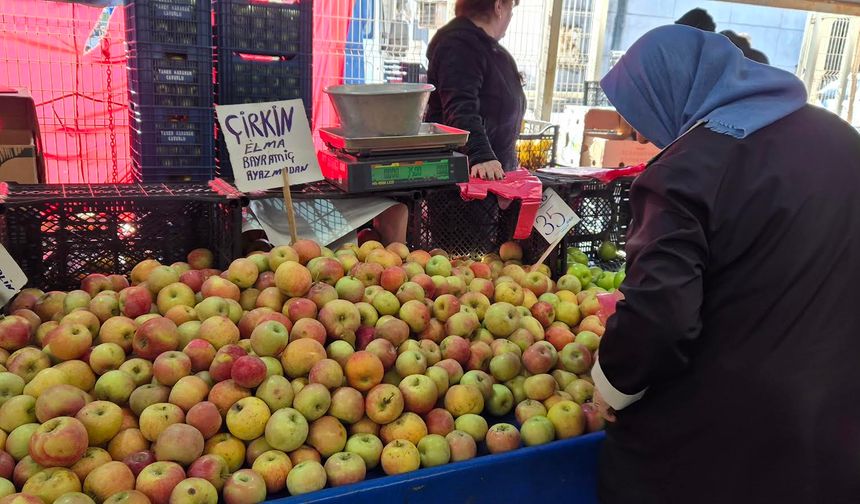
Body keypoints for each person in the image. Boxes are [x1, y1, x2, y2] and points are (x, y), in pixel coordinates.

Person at [592, 25, 860, 503]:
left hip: (731, 443)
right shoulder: (841, 138)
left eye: (636, 113)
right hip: (838, 427)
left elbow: (661, 315)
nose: (638, 132)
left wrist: (613, 383)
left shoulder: (687, 169)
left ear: (669, 91)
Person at [425, 0, 526, 180]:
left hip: (491, 176)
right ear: (498, 7)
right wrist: (481, 154)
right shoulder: (460, 45)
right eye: (511, 9)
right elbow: (459, 106)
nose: (511, 16)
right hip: (470, 183)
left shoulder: (490, 49)